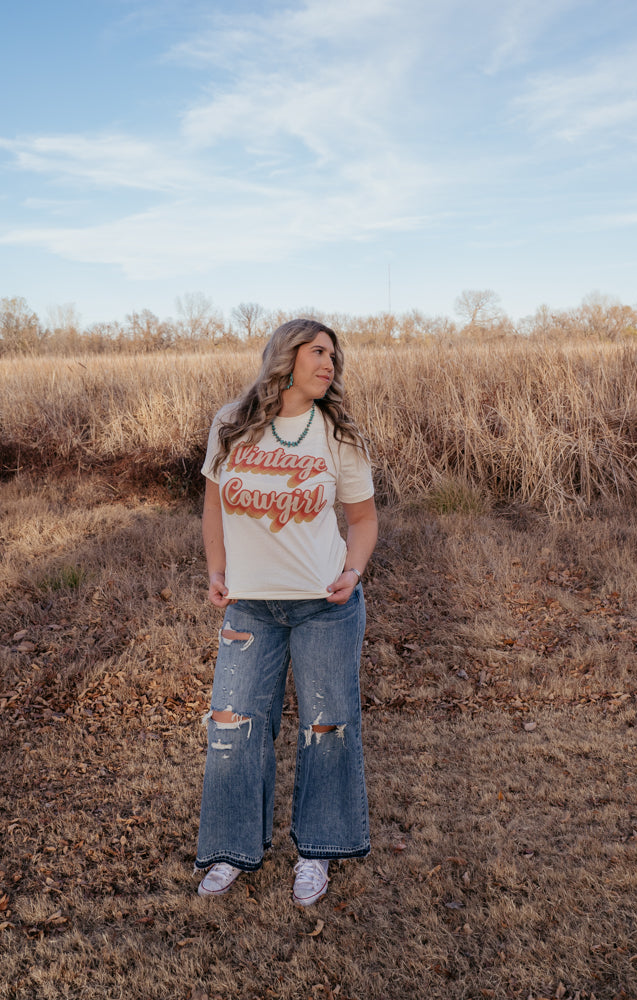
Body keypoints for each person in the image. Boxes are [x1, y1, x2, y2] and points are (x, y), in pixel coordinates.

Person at [194, 318, 378, 906]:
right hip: (251, 603)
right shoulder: (231, 423)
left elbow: (364, 520)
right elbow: (214, 509)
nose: (329, 363)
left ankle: (317, 851)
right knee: (234, 725)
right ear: (285, 357)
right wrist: (217, 571)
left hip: (324, 606)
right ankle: (229, 851)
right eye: (317, 352)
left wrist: (352, 573)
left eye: (333, 355)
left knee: (327, 729)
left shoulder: (337, 434)